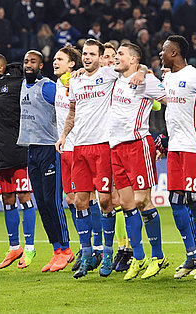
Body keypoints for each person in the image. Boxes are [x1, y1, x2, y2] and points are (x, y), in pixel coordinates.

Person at [56, 39, 146, 278]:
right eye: (85, 53)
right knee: (79, 202)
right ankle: (87, 254)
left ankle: (108, 253)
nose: (87, 57)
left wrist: (144, 71)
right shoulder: (76, 81)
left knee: (106, 201)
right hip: (79, 148)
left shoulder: (109, 74)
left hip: (103, 147)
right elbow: (72, 112)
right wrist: (64, 135)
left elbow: (136, 67)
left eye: (92, 54)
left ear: (99, 56)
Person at [159, 35, 196, 280]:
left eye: (164, 50)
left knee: (193, 201)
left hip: (195, 146)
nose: (160, 53)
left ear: (174, 53)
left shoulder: (195, 75)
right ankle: (192, 253)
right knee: (175, 201)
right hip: (175, 148)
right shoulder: (168, 77)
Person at [109, 43, 169, 280]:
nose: (116, 57)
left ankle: (158, 256)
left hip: (137, 145)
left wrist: (167, 133)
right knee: (125, 204)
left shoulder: (146, 81)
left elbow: (171, 103)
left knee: (142, 200)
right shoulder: (115, 81)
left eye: (120, 54)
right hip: (115, 148)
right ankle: (139, 257)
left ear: (133, 59)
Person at [18, 50, 73, 272]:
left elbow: (69, 106)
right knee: (41, 202)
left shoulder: (48, 87)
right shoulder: (22, 84)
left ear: (41, 66)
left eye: (33, 61)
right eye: (25, 61)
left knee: (52, 201)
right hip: (31, 149)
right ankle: (56, 250)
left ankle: (67, 249)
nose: (28, 64)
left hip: (50, 149)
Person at [0, 54, 36, 269]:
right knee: (7, 199)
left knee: (24, 197)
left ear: (2, 68)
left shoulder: (15, 84)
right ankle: (15, 247)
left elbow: (31, 82)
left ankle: (30, 247)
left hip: (18, 151)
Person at [53, 45, 84, 272]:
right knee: (71, 201)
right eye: (54, 59)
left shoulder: (78, 81)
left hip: (79, 147)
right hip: (64, 149)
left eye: (60, 59)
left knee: (85, 200)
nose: (55, 62)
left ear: (72, 64)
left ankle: (97, 247)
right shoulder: (56, 84)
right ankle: (85, 246)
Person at [101, 41, 132, 272]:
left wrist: (141, 72)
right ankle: (117, 248)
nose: (111, 60)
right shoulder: (98, 82)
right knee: (107, 201)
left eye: (114, 56)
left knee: (122, 199)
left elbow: (155, 107)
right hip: (101, 145)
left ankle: (128, 249)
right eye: (107, 57)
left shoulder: (125, 81)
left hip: (123, 143)